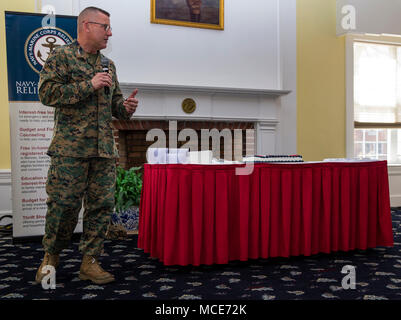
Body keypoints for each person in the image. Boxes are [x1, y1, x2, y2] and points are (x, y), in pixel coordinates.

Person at [35, 6, 138, 285]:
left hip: (104, 151)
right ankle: (51, 258)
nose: (110, 32)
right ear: (86, 26)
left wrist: (125, 107)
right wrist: (87, 85)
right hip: (71, 151)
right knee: (64, 206)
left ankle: (90, 262)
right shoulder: (62, 57)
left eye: (109, 27)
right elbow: (46, 93)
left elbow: (114, 105)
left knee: (101, 207)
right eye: (105, 27)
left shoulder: (108, 65)